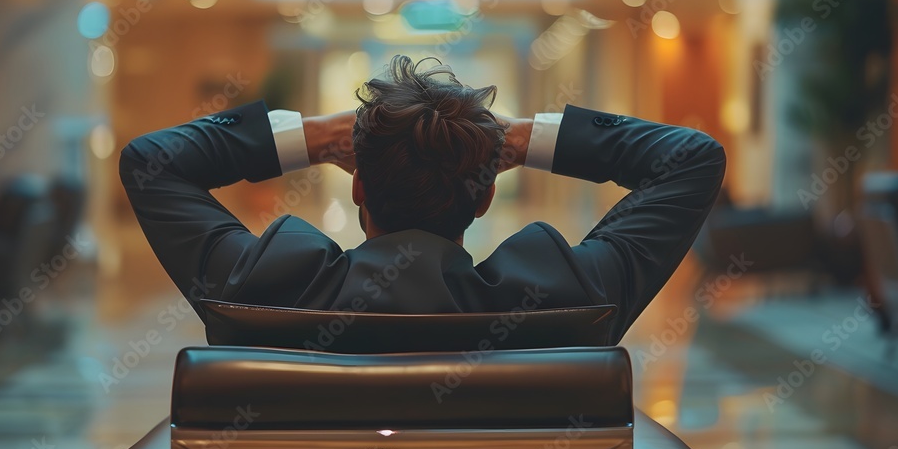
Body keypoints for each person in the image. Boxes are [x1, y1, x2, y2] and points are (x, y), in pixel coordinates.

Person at [119, 55, 726, 344]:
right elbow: (693, 158)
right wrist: (517, 137)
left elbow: (150, 162)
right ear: (485, 197)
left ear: (357, 184)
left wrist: (319, 136)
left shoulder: (264, 291)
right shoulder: (567, 302)